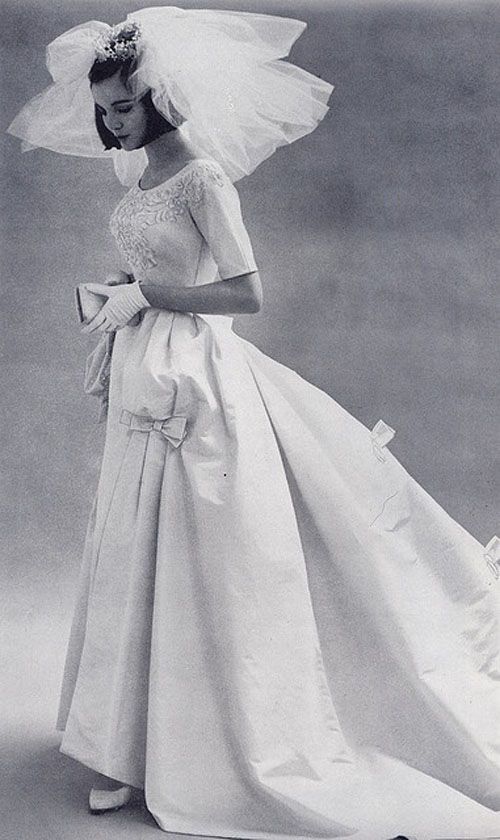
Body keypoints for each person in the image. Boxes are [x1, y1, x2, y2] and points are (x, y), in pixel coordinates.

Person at [7, 7, 500, 840]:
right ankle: (127, 747)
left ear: (158, 98)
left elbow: (244, 291)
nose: (111, 122)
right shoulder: (138, 178)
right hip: (145, 372)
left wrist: (149, 296)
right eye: (106, 108)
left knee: (203, 562)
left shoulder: (204, 179)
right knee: (136, 549)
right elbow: (160, 262)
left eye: (123, 106)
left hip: (196, 383)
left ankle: (197, 753)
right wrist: (116, 285)